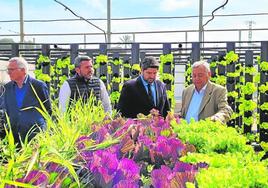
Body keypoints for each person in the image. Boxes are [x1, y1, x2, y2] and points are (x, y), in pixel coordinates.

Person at [3, 57, 51, 143]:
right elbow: (6, 109)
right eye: (8, 70)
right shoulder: (7, 88)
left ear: (23, 70)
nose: (8, 73)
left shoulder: (38, 86)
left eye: (11, 70)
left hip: (35, 134)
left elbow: (48, 109)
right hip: (14, 135)